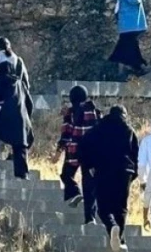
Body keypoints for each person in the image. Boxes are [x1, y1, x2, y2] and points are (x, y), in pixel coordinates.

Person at [79, 105, 139, 250]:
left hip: (103, 170)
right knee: (121, 207)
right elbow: (136, 154)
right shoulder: (129, 130)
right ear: (124, 115)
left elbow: (84, 146)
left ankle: (112, 226)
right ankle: (121, 240)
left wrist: (89, 166)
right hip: (125, 171)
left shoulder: (98, 129)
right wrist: (134, 173)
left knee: (104, 207)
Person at [0, 61, 34, 177]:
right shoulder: (20, 83)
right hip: (20, 118)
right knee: (20, 145)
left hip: (3, 115)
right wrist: (27, 118)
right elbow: (29, 103)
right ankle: (23, 174)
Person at [58, 85, 101, 223]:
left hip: (74, 151)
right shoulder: (95, 111)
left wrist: (58, 151)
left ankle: (75, 193)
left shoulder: (71, 112)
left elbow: (66, 133)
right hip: (92, 153)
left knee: (66, 174)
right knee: (89, 185)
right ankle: (90, 218)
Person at [109, 0, 149, 76]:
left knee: (125, 44)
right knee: (130, 44)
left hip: (132, 23)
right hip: (127, 24)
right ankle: (137, 66)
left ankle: (128, 67)